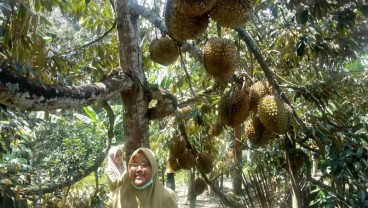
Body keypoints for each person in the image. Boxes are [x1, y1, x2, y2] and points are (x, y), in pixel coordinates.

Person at [110, 147, 179, 208]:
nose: (139, 169)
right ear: (129, 168)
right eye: (135, 164)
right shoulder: (118, 196)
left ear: (153, 168)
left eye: (145, 165)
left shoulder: (167, 197)